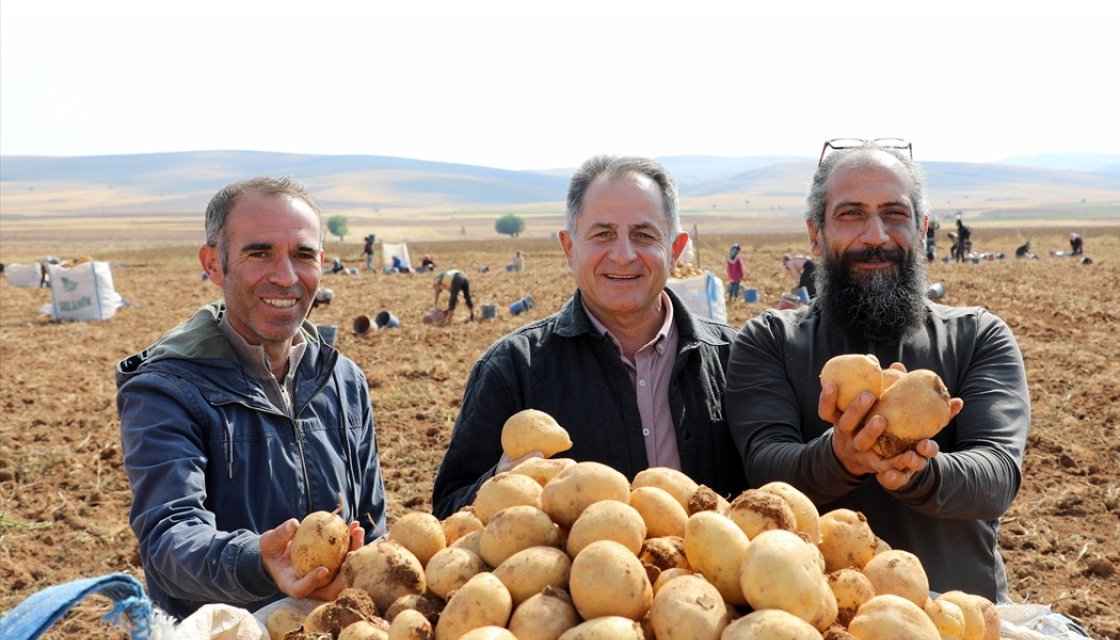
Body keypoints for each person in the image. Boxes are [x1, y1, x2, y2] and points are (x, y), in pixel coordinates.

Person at [725, 141, 1030, 603]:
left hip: (956, 622)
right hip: (818, 621)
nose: (876, 236)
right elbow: (764, 468)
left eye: (894, 214)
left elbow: (996, 476)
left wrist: (913, 471)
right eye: (850, 215)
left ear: (922, 228)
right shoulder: (769, 342)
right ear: (816, 234)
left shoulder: (978, 337)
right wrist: (843, 456)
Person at [115, 177, 387, 619]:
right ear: (214, 264)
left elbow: (374, 525)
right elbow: (169, 538)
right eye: (259, 253)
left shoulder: (343, 380)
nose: (286, 276)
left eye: (302, 255)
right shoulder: (167, 389)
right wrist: (258, 560)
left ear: (321, 262)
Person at [432, 155, 747, 517]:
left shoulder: (734, 359)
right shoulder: (513, 369)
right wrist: (500, 482)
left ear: (675, 250)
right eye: (603, 235)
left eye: (644, 236)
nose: (624, 255)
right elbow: (447, 509)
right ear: (569, 248)